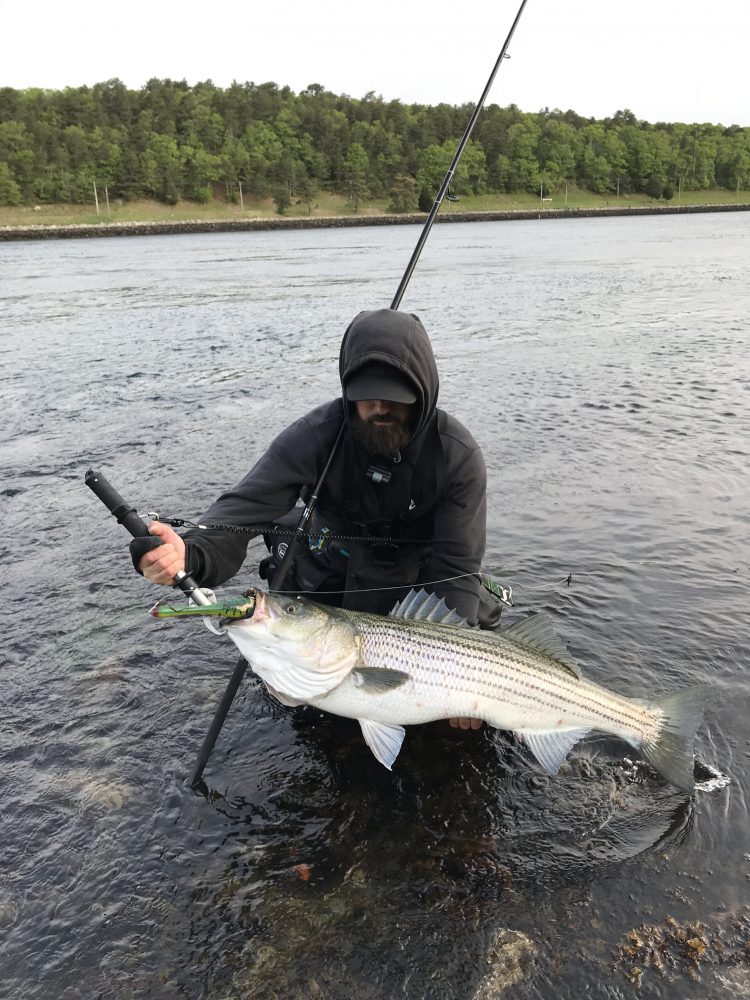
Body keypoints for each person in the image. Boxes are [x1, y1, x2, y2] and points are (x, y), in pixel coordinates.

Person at [133, 308, 502, 729]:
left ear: (423, 392)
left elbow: (456, 567)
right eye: (367, 395)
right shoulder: (315, 434)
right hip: (333, 571)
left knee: (479, 622)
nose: (380, 407)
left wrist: (460, 677)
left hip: (416, 579)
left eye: (395, 396)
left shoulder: (457, 455)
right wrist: (190, 553)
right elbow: (243, 511)